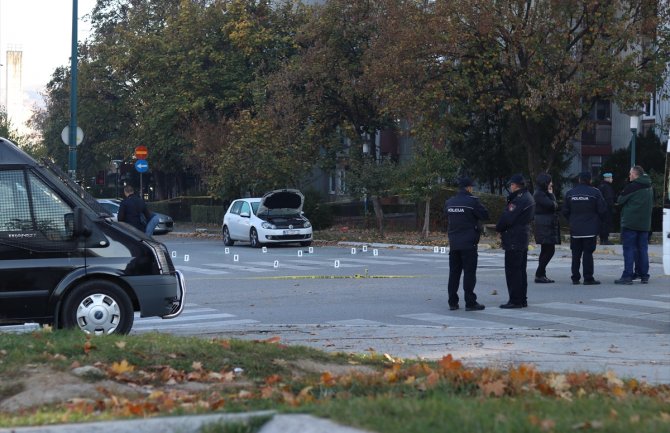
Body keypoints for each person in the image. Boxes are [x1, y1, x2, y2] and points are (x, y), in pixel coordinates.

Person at [445, 177, 489, 311]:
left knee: (454, 273)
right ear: (468, 188)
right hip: (469, 243)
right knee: (469, 273)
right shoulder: (472, 202)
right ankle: (470, 302)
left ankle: (452, 302)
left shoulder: (449, 202)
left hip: (454, 243)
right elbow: (485, 215)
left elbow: (446, 216)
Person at [496, 174, 535, 309]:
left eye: (511, 185)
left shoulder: (519, 199)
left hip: (514, 238)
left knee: (513, 271)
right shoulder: (528, 196)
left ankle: (515, 300)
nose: (510, 187)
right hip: (521, 237)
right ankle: (521, 298)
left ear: (514, 185)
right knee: (520, 270)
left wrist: (498, 227)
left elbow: (507, 218)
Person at [561, 171, 608, 285]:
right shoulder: (595, 192)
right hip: (590, 229)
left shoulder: (570, 193)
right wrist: (598, 222)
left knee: (575, 253)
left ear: (579, 180)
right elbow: (602, 210)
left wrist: (572, 221)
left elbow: (565, 211)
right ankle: (588, 278)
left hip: (575, 229)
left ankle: (575, 277)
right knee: (588, 253)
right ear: (590, 180)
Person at [615, 165, 653, 284]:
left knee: (629, 249)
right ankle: (644, 275)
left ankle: (627, 276)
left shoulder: (632, 186)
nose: (629, 175)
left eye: (630, 173)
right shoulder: (650, 186)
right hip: (645, 223)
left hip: (630, 223)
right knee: (643, 249)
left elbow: (620, 200)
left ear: (635, 174)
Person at [533, 173, 560, 283]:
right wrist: (551, 194)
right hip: (544, 224)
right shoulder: (539, 194)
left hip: (546, 223)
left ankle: (541, 273)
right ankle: (539, 273)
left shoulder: (541, 193)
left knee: (545, 250)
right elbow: (552, 205)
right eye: (550, 182)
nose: (551, 184)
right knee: (549, 250)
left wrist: (550, 194)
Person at [597, 172, 615, 244]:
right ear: (607, 179)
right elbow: (609, 198)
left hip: (600, 209)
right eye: (611, 178)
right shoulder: (608, 187)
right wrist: (612, 207)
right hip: (607, 209)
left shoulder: (600, 186)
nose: (612, 179)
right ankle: (605, 240)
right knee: (606, 224)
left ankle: (602, 239)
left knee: (602, 224)